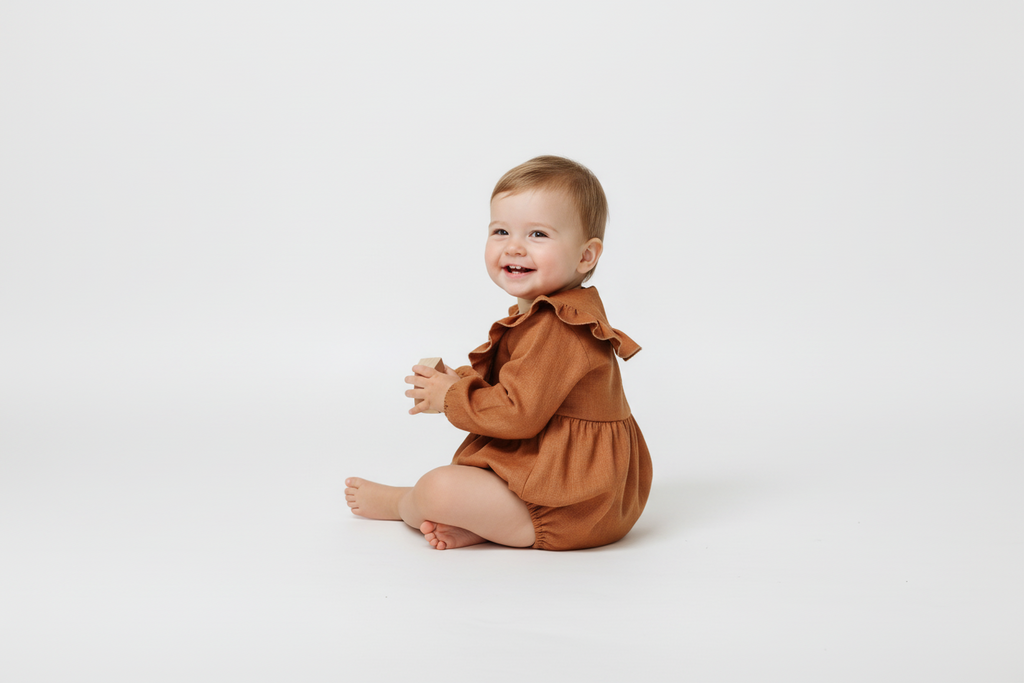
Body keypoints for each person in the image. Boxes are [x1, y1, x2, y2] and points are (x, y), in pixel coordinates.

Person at [345, 155, 652, 550]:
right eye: (501, 231)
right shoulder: (541, 314)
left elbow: (518, 414)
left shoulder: (561, 327)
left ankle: (402, 501)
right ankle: (487, 526)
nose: (515, 247)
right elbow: (519, 387)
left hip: (572, 506)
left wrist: (451, 398)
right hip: (556, 479)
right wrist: (462, 382)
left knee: (438, 488)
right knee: (460, 490)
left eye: (538, 235)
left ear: (586, 255)